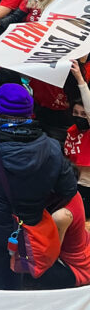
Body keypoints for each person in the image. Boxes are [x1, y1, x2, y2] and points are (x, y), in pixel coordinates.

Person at [0, 83, 78, 290]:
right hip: (28, 229)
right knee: (17, 280)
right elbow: (68, 190)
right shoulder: (51, 148)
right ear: (29, 112)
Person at [65, 60, 90, 218]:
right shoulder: (71, 131)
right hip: (73, 183)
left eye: (84, 114)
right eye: (76, 113)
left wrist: (80, 79)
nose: (79, 117)